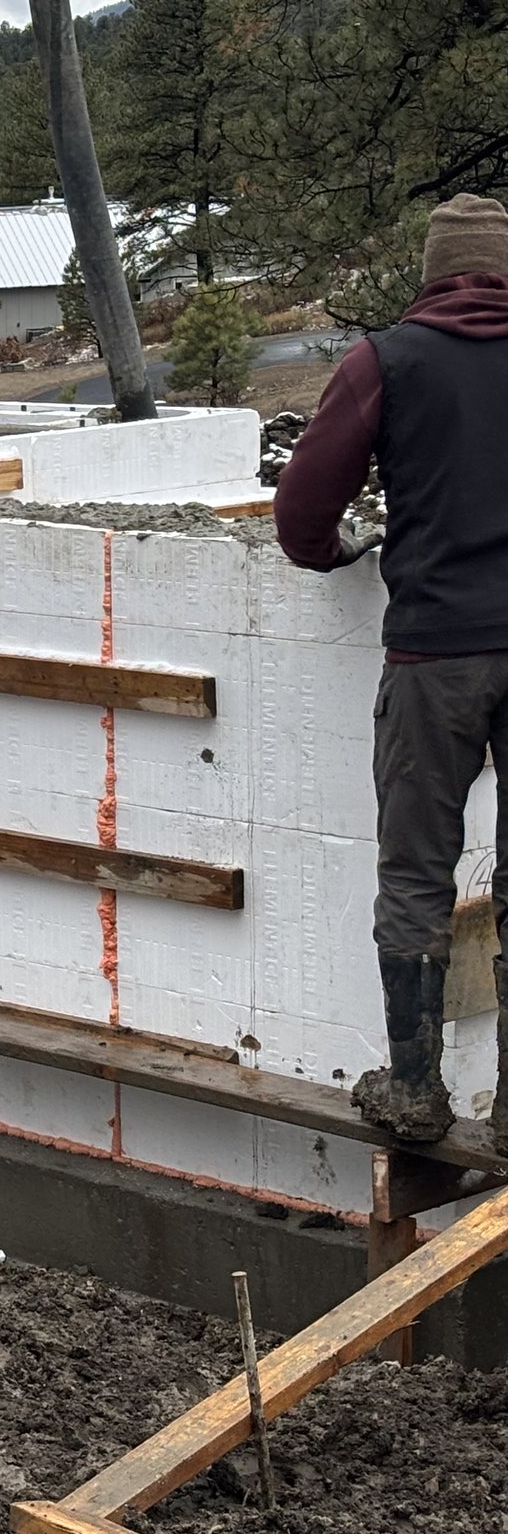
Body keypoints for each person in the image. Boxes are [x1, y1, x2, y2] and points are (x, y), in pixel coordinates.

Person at [276, 192, 508, 1142]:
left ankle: (416, 1092)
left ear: (432, 272)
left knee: (417, 871)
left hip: (435, 655)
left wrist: (338, 551)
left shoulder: (388, 361)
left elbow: (301, 512)